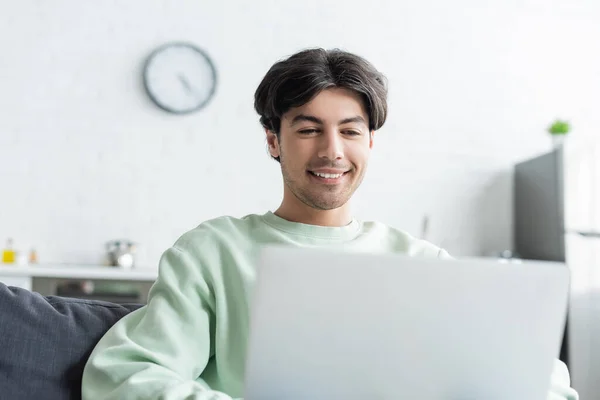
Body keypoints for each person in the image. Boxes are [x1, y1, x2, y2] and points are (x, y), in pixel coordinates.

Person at [82, 48, 578, 400]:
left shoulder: (425, 265)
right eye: (308, 129)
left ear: (370, 143)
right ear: (273, 141)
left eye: (349, 131)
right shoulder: (212, 252)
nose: (331, 151)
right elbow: (126, 376)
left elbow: (539, 383)